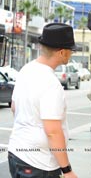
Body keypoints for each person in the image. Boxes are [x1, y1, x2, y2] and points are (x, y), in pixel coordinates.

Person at [8, 23, 77, 178]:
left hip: (17, 153)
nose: (71, 54)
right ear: (62, 52)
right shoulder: (51, 83)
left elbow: (14, 107)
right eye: (70, 50)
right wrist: (67, 170)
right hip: (39, 163)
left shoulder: (26, 69)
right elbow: (53, 131)